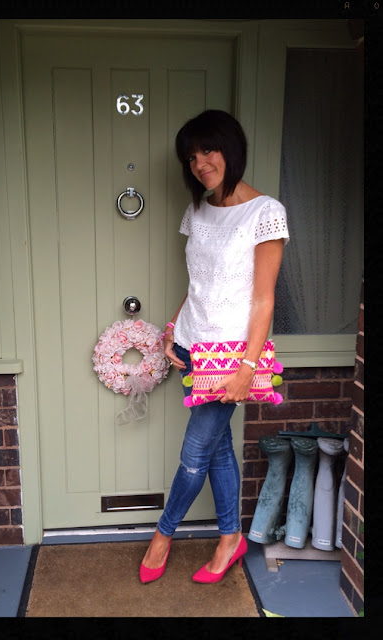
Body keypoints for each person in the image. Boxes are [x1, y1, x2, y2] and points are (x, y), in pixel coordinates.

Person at [140, 109, 290, 584]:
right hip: (191, 344)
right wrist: (172, 330)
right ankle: (231, 538)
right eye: (191, 156)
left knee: (195, 453)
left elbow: (264, 298)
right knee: (218, 448)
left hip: (229, 360)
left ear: (230, 148)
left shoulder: (266, 212)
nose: (200, 162)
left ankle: (163, 533)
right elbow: (199, 280)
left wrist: (247, 366)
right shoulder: (197, 210)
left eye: (208, 149)